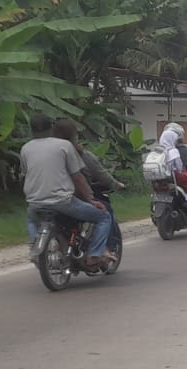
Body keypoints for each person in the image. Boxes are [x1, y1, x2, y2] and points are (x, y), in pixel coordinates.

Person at [20, 112, 113, 268]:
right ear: (51, 128)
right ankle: (95, 254)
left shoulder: (25, 148)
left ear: (32, 129)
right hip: (63, 202)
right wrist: (91, 200)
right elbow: (78, 177)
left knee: (31, 219)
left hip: (35, 203)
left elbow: (24, 175)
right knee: (103, 217)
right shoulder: (64, 146)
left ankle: (34, 248)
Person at [52, 119, 125, 217]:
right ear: (75, 136)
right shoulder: (81, 155)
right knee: (105, 216)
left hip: (50, 199)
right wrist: (116, 185)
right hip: (75, 199)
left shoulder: (49, 155)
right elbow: (99, 174)